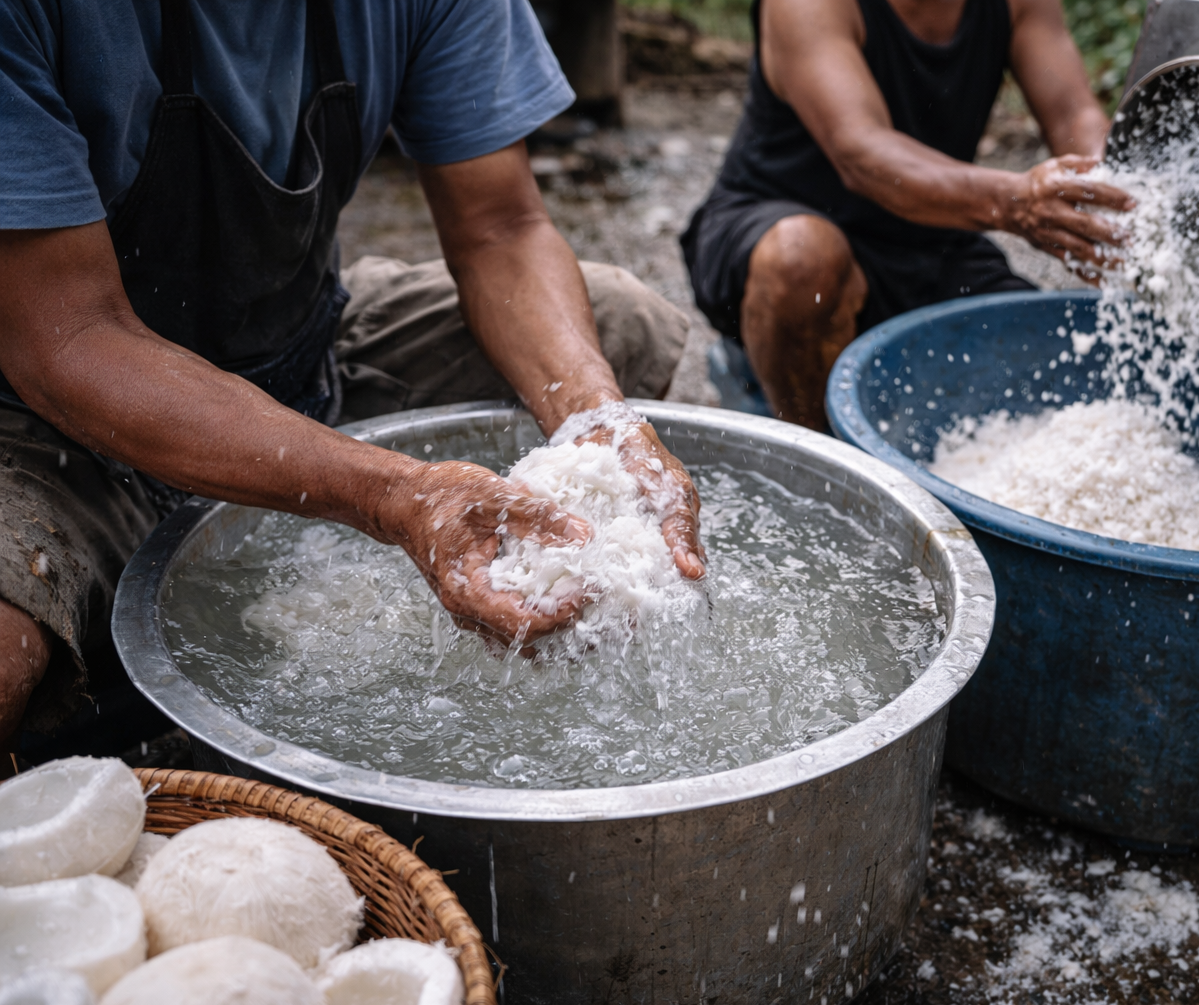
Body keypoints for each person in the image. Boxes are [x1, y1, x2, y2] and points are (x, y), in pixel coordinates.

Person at [0, 0, 706, 752]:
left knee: (621, 324)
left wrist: (594, 422)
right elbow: (70, 337)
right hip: (52, 422)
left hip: (305, 356)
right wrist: (393, 494)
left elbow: (502, 227)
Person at [682, 0, 1133, 430]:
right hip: (777, 226)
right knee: (802, 259)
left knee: (1048, 376)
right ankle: (803, 443)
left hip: (931, 234)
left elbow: (1074, 114)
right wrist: (1015, 201)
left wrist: (1118, 192)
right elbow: (862, 152)